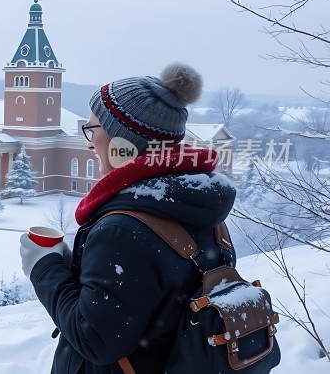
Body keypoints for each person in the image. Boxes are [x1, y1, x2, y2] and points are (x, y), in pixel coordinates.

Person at [19, 63, 236, 373]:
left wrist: (43, 268)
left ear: (124, 143)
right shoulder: (200, 210)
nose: (88, 142)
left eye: (92, 129)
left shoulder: (123, 230)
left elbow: (94, 339)